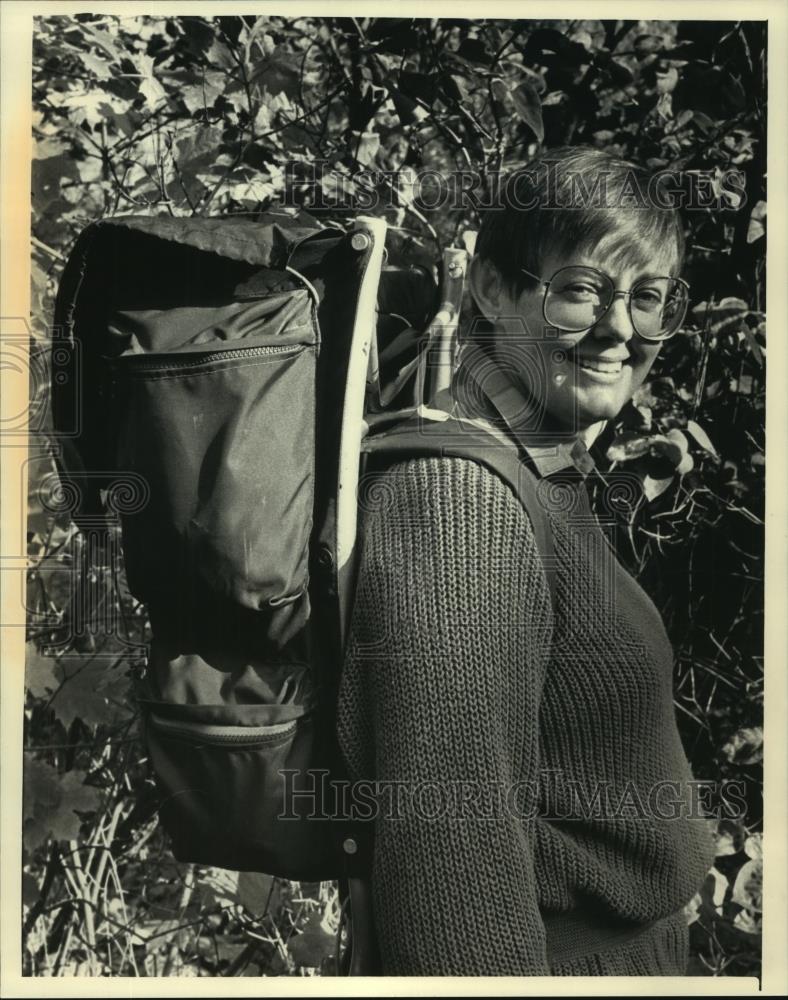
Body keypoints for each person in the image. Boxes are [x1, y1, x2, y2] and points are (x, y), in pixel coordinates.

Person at [336, 146, 717, 976]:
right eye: (581, 290)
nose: (622, 331)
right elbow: (451, 866)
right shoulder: (457, 499)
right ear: (492, 289)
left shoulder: (535, 460)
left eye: (648, 299)